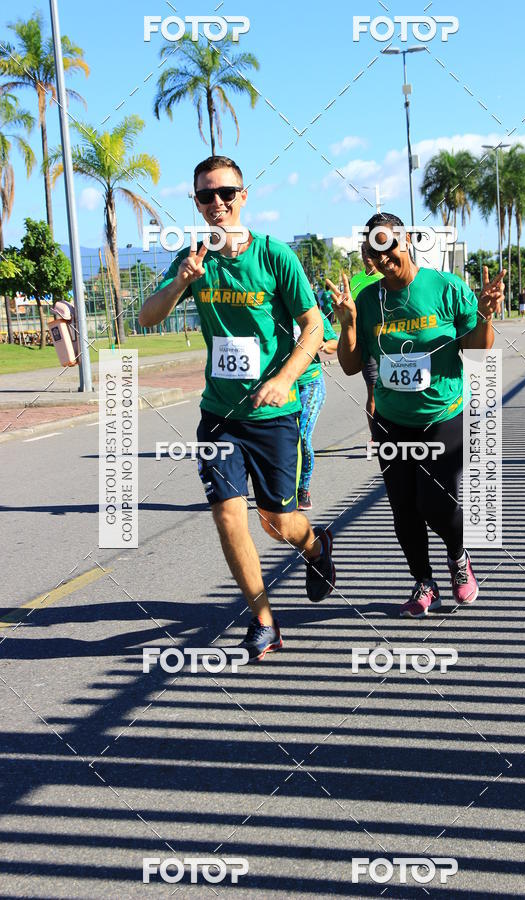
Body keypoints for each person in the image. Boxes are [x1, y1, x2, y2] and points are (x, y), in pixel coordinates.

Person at [139, 155, 335, 660]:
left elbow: (313, 328)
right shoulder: (193, 257)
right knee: (229, 517)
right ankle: (264, 620)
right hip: (219, 416)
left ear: (243, 195)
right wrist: (183, 279)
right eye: (207, 195)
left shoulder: (275, 257)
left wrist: (286, 379)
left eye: (226, 192)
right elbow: (146, 317)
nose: (218, 203)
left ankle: (314, 546)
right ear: (197, 202)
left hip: (274, 415)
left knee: (278, 522)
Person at [329, 212, 505, 618]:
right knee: (404, 507)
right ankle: (424, 581)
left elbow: (478, 351)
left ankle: (458, 559)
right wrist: (349, 323)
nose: (383, 255)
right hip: (391, 421)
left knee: (436, 502)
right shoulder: (368, 299)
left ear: (404, 240)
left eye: (388, 243)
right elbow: (352, 365)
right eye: (374, 247)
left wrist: (485, 313)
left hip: (442, 414)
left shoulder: (445, 287)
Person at [295, 311, 338, 510]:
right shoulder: (268, 309)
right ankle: (281, 484)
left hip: (310, 383)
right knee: (280, 439)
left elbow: (334, 343)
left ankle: (303, 488)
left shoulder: (311, 312)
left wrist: (322, 345)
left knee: (302, 435)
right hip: (282, 386)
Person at [350, 242, 383, 439]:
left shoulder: (385, 277)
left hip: (389, 342)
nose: (367, 256)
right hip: (367, 343)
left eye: (370, 252)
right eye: (363, 253)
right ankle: (375, 437)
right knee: (372, 391)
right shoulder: (356, 281)